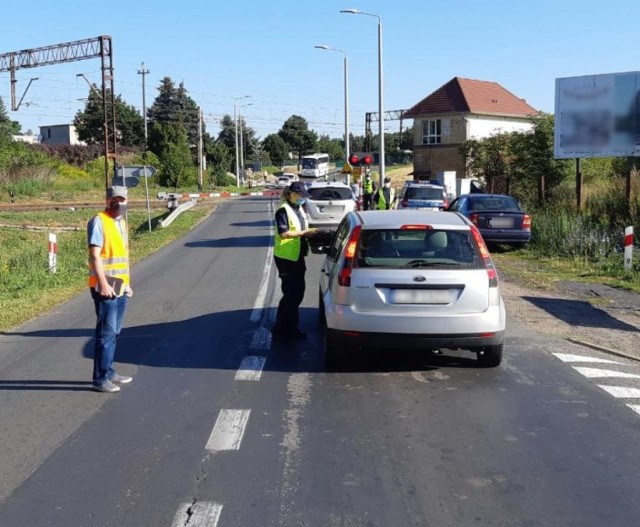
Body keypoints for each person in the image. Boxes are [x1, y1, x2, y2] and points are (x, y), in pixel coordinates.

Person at [87, 186, 134, 393]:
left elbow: (121, 257)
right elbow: (95, 256)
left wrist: (127, 284)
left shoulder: (121, 222)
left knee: (115, 332)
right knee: (106, 334)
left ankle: (110, 371)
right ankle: (100, 378)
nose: (118, 203)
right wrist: (103, 283)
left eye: (122, 200)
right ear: (107, 200)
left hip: (120, 286)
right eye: (115, 199)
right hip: (104, 286)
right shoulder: (99, 221)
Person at [271, 181, 318, 340]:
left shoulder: (298, 209)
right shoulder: (283, 210)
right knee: (291, 293)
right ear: (291, 194)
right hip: (286, 258)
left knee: (298, 292)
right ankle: (284, 328)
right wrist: (304, 233)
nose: (302, 199)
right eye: (300, 196)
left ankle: (289, 326)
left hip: (296, 255)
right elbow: (284, 233)